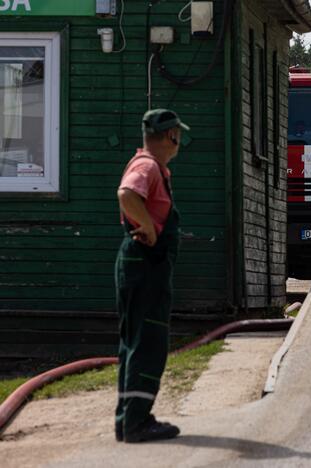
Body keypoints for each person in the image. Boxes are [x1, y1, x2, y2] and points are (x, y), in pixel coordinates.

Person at [114, 109, 189, 443]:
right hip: (144, 264)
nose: (180, 141)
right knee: (148, 341)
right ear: (170, 135)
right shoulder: (147, 166)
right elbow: (127, 194)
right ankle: (137, 423)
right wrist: (146, 226)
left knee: (136, 341)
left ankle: (128, 419)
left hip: (142, 264)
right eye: (178, 135)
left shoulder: (153, 166)